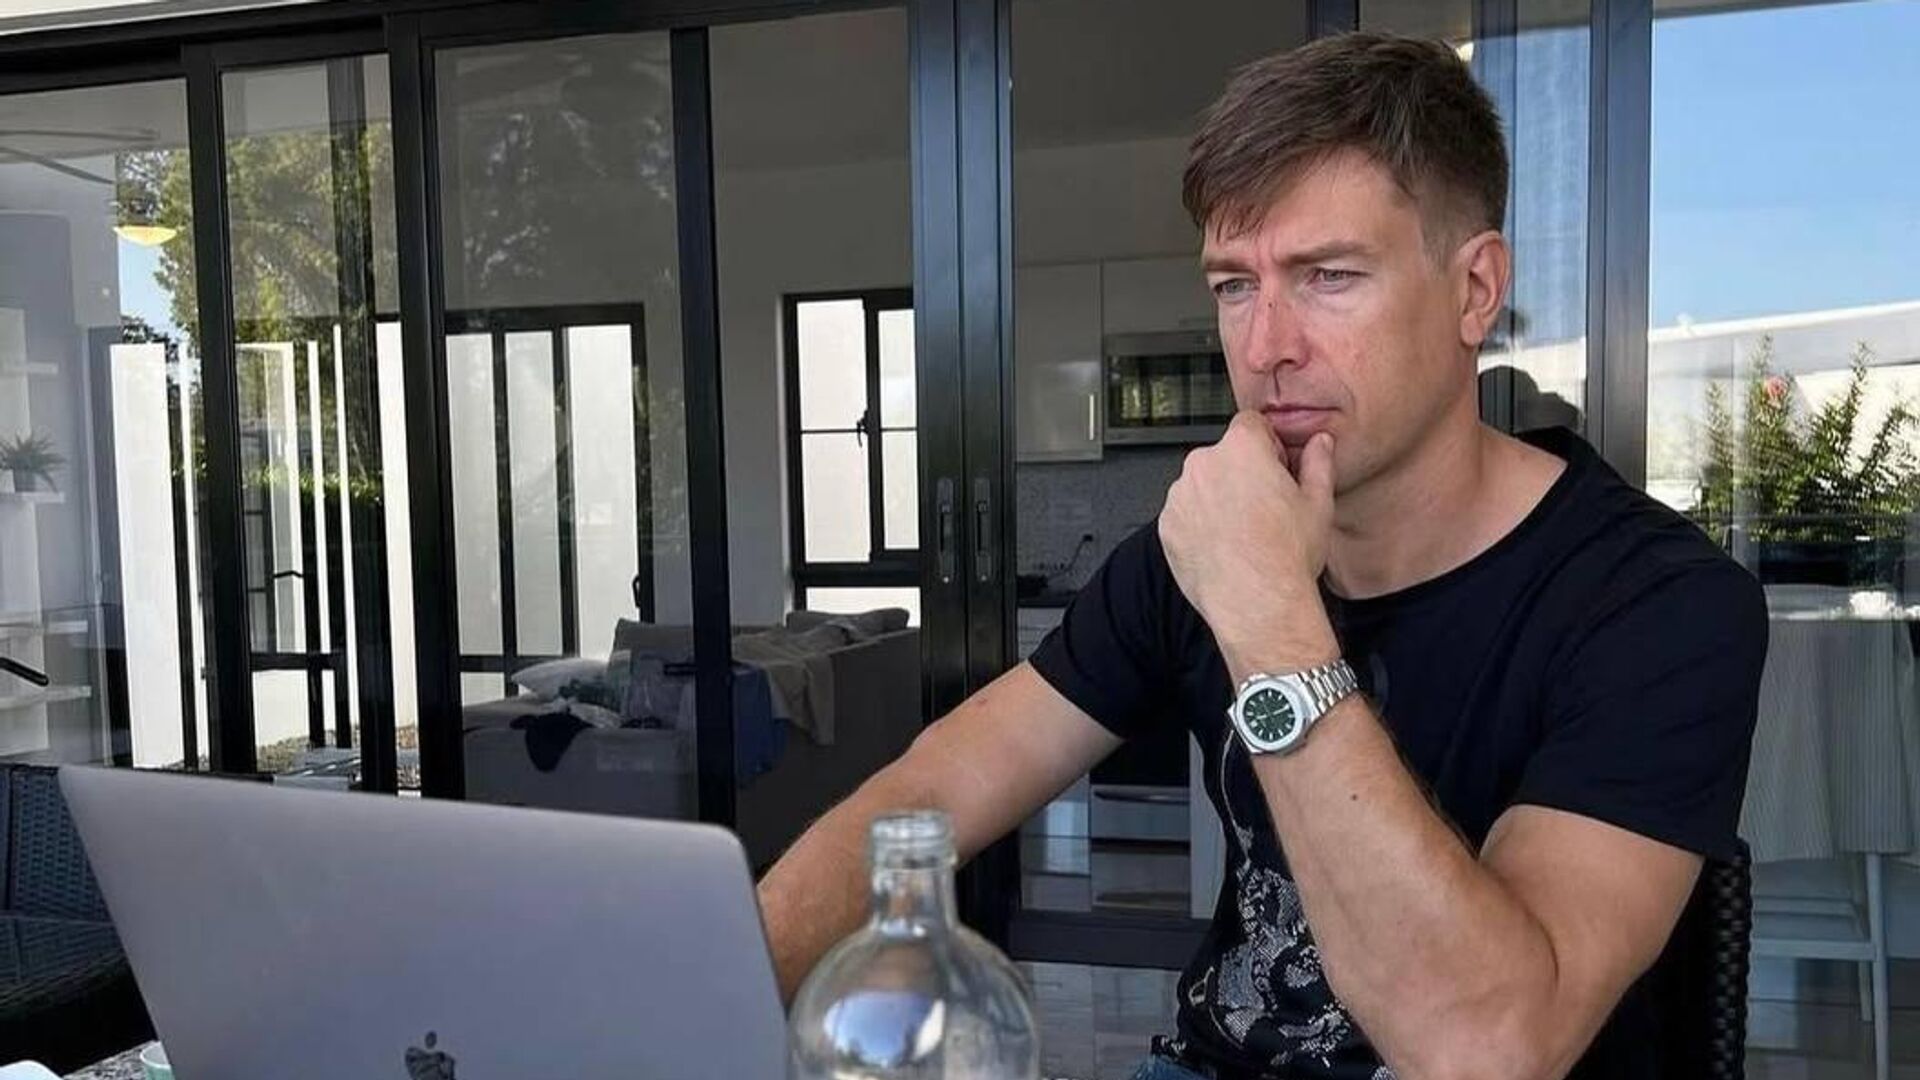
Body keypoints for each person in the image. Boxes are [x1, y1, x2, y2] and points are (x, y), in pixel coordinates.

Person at [757, 32, 1766, 1080]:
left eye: (1329, 276)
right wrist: (718, 981)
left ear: (1476, 290)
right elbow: (930, 793)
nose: (1266, 346)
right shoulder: (1189, 558)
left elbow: (1485, 1050)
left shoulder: (1659, 604)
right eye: (1236, 285)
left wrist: (1269, 613)